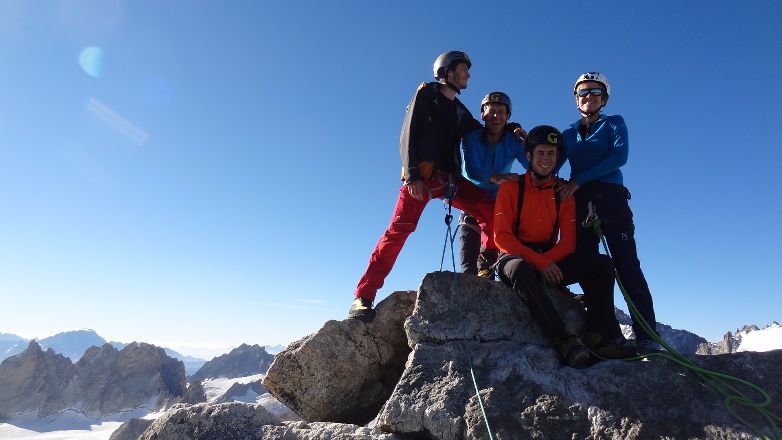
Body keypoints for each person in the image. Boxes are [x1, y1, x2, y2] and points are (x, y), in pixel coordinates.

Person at [349, 51, 498, 323]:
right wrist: (412, 176)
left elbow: (485, 134)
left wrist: (510, 128)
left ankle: (486, 265)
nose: (468, 75)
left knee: (490, 210)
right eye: (463, 69)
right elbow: (408, 134)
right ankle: (363, 295)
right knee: (397, 232)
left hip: (449, 181)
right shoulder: (426, 95)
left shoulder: (460, 112)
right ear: (447, 71)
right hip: (421, 178)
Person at [494, 125, 633, 367]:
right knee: (519, 269)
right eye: (541, 153)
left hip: (549, 257)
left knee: (601, 264)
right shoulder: (511, 186)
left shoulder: (562, 192)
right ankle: (565, 341)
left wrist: (546, 260)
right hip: (516, 256)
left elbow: (569, 242)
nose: (546, 159)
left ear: (558, 158)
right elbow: (502, 237)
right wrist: (541, 263)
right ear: (528, 156)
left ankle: (597, 336)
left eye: (552, 154)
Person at [558, 72, 659, 351]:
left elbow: (619, 156)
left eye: (595, 92)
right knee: (589, 265)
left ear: (604, 98)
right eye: (583, 92)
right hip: (580, 202)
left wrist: (578, 180)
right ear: (576, 98)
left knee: (627, 264)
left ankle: (648, 336)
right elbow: (551, 161)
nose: (588, 96)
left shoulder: (614, 123)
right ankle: (608, 334)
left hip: (610, 198)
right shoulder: (568, 133)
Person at [459, 91, 528, 276]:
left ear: (508, 117)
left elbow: (532, 166)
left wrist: (530, 144)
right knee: (470, 240)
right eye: (491, 111)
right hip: (470, 197)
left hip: (497, 199)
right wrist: (497, 177)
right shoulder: (470, 138)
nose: (496, 116)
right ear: (483, 114)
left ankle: (486, 273)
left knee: (491, 249)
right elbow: (473, 172)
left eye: (501, 112)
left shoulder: (513, 141)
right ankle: (468, 278)